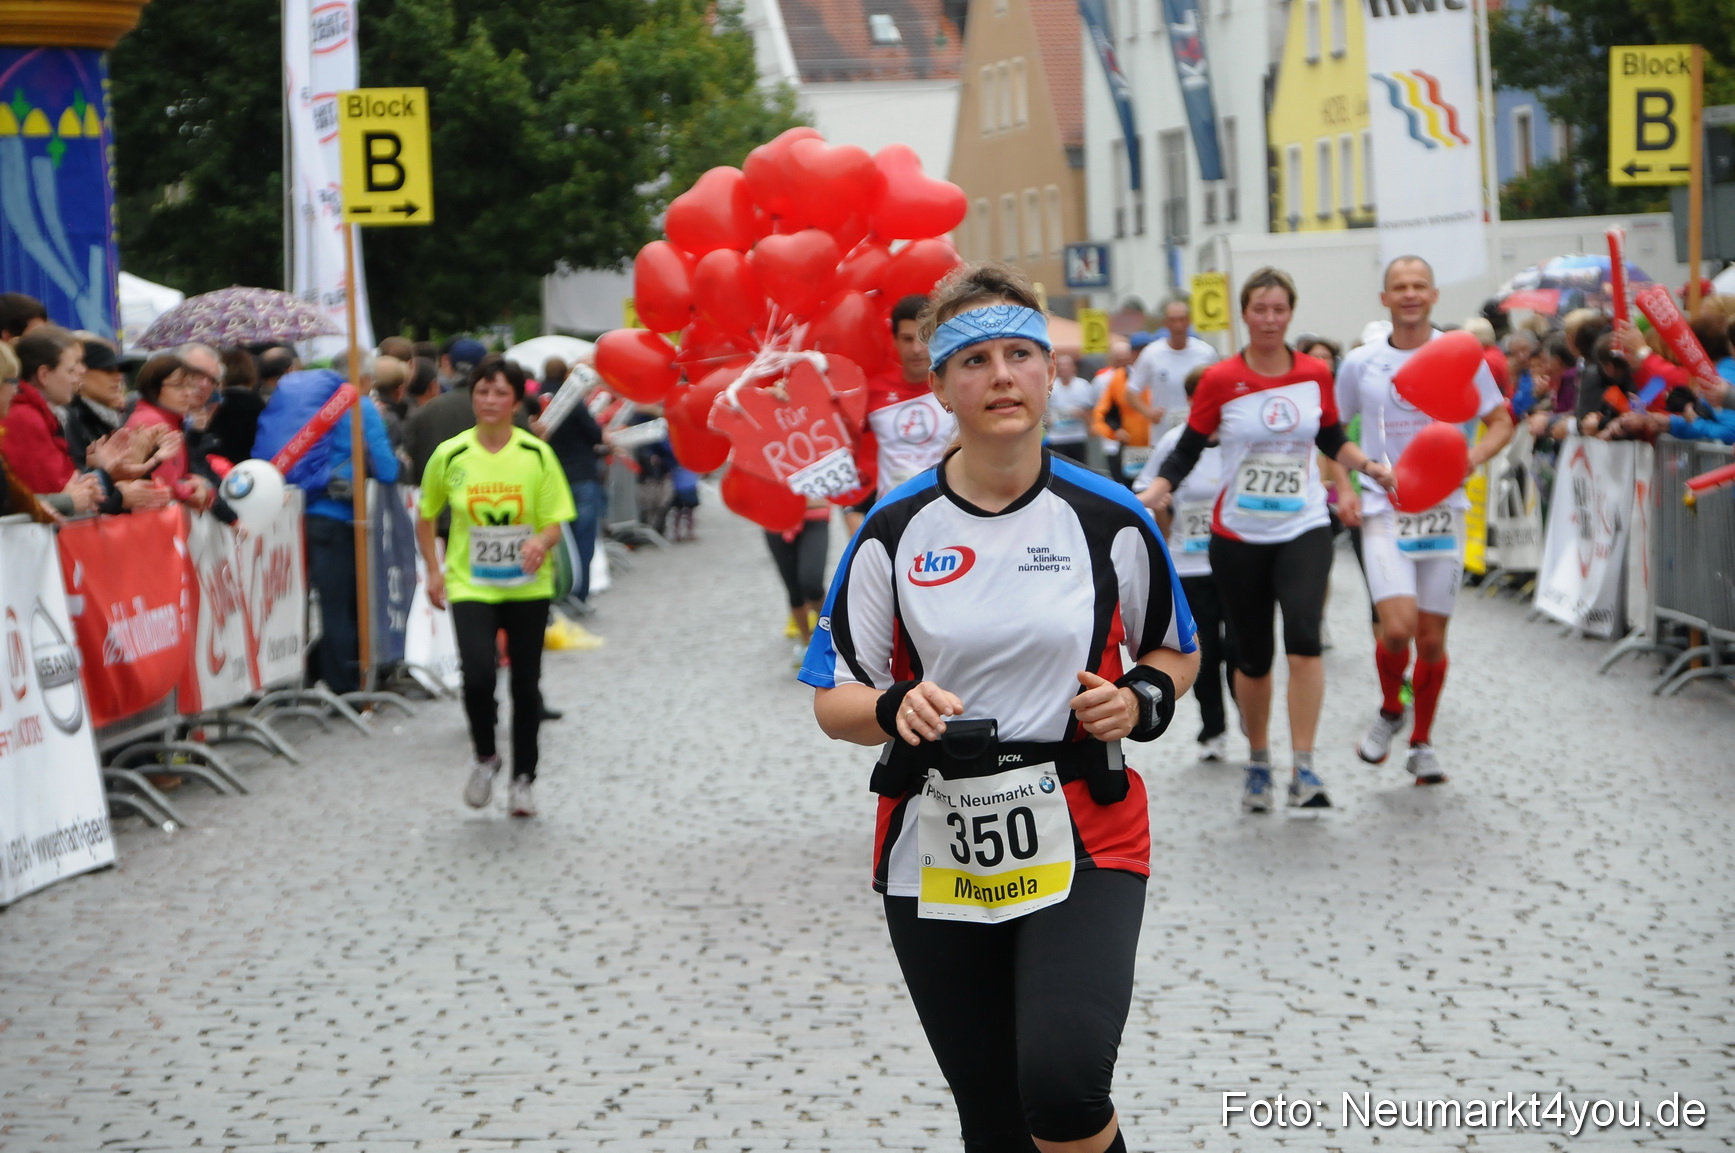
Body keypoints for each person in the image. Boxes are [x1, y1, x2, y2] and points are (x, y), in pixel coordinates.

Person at [802, 263, 1199, 1153]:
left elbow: (1177, 650)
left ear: (1049, 373)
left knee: (1060, 1086)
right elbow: (834, 697)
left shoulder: (1107, 515)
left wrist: (1138, 699)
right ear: (938, 385)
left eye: (1021, 353)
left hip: (1085, 824)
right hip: (935, 835)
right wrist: (894, 705)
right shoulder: (894, 529)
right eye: (973, 360)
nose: (1002, 375)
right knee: (992, 1118)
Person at [1141, 266, 1394, 813]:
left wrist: (1368, 467)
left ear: (1291, 313)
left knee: (1303, 638)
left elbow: (1330, 436)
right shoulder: (1219, 379)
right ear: (1245, 313)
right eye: (1260, 309)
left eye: (1280, 309)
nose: (1270, 319)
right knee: (1251, 657)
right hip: (1238, 535)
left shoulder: (1312, 374)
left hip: (1302, 526)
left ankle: (1304, 766)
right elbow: (1187, 448)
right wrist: (1155, 492)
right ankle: (1259, 760)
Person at [1335, 256, 1514, 786]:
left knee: (1432, 642)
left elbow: (1501, 421)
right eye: (1399, 287)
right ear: (1385, 299)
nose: (1410, 294)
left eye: (1419, 286)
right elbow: (1334, 430)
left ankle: (1421, 742)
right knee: (1397, 628)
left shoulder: (1458, 354)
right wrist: (1343, 485)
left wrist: (1467, 462)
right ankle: (1393, 708)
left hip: (1444, 512)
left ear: (1434, 295)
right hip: (1383, 508)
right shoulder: (1361, 363)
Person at [417, 354, 575, 818]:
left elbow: (555, 523)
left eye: (500, 393)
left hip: (527, 586)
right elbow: (426, 517)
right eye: (482, 392)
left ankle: (524, 778)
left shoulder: (535, 454)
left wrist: (540, 544)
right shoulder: (451, 454)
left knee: (526, 686)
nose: (489, 400)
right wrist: (432, 569)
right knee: (479, 674)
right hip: (471, 584)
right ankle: (486, 756)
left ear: (515, 400)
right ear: (472, 398)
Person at [252, 363, 399, 694]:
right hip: (346, 518)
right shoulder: (359, 407)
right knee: (347, 607)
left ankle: (316, 671)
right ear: (362, 378)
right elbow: (387, 469)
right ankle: (345, 686)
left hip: (300, 513)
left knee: (323, 603)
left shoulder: (312, 407)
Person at [1134, 365, 1237, 761]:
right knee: (1205, 651)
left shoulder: (1239, 439)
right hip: (1189, 563)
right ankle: (1213, 728)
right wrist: (1162, 510)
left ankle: (1248, 707)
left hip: (1237, 561)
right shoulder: (1177, 441)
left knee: (1241, 649)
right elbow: (1145, 489)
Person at [846, 295, 957, 533]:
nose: (916, 349)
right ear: (894, 340)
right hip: (893, 516)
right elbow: (838, 439)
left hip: (951, 512)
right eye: (907, 339)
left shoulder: (958, 386)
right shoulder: (872, 391)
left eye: (922, 339)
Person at [404, 338, 507, 479]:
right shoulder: (506, 409)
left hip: (438, 493)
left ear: (449, 364)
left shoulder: (424, 413)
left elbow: (411, 463)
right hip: (494, 492)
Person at [1127, 295, 1219, 441]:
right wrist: (1148, 412)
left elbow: (1219, 389)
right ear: (1165, 323)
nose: (1178, 325)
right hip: (1163, 435)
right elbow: (1131, 391)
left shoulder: (1206, 352)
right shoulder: (1151, 353)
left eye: (1182, 319)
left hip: (1199, 435)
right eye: (1173, 320)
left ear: (1189, 321)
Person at [766, 496, 830, 663]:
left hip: (814, 513)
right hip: (775, 518)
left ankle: (831, 632)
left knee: (812, 583)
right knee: (794, 589)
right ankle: (807, 643)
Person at [1088, 338, 1151, 487]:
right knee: (1127, 488)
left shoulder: (1156, 374)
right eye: (1118, 360)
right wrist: (1114, 431)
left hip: (1153, 445)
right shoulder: (1111, 379)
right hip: (1122, 446)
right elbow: (1101, 412)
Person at [64, 337, 127, 468]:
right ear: (81, 372)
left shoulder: (105, 418)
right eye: (108, 370)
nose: (118, 377)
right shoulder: (75, 419)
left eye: (119, 370)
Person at [1044, 351, 1098, 464]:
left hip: (1077, 436)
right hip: (1057, 437)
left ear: (1073, 368)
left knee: (1080, 467)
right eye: (1061, 366)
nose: (1064, 369)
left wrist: (1089, 423)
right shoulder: (1050, 386)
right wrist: (1047, 420)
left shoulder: (1083, 385)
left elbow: (1089, 409)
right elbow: (1044, 409)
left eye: (1067, 366)